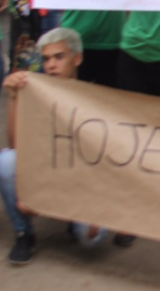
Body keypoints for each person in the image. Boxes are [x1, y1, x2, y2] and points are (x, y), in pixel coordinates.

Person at [1, 28, 110, 265]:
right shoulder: (37, 94)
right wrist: (13, 98)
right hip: (48, 174)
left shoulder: (97, 100)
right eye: (46, 59)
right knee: (6, 162)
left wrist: (59, 203)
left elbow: (101, 166)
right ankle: (24, 233)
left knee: (92, 238)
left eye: (59, 57)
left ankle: (73, 220)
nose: (51, 65)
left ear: (77, 58)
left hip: (81, 184)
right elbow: (17, 145)